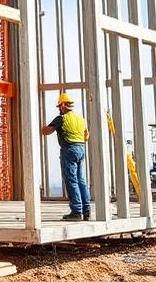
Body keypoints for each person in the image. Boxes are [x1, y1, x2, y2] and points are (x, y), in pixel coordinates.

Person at [41, 93, 91, 221]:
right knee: (81, 180)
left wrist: (40, 127)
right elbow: (86, 136)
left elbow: (47, 131)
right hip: (81, 148)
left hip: (69, 149)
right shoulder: (80, 118)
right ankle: (86, 210)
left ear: (63, 105)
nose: (59, 108)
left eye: (59, 106)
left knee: (71, 180)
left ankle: (76, 211)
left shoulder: (61, 118)